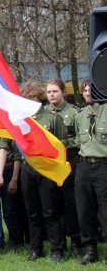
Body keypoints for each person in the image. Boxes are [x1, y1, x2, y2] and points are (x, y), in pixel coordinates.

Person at [20, 81, 66, 262]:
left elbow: (62, 143)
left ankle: (57, 249)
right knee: (32, 212)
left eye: (32, 97)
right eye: (26, 98)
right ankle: (36, 249)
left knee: (50, 211)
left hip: (46, 169)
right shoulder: (22, 120)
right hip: (27, 168)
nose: (29, 100)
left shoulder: (52, 118)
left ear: (39, 98)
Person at [46, 78, 81, 256]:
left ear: (63, 93)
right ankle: (58, 244)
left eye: (55, 91)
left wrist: (64, 144)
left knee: (70, 203)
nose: (52, 94)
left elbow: (80, 138)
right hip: (50, 165)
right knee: (52, 204)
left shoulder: (74, 113)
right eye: (49, 92)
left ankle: (75, 241)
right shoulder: (44, 113)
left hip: (69, 162)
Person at [74, 80, 106, 264]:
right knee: (84, 209)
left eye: (91, 90)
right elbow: (79, 140)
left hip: (103, 165)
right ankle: (90, 250)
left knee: (105, 210)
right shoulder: (81, 116)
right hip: (84, 166)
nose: (87, 94)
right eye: (85, 91)